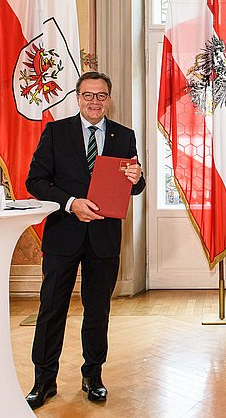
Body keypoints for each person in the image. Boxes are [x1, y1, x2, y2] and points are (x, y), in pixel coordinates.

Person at [23, 71, 145, 409]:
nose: (95, 101)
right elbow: (35, 180)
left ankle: (93, 376)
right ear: (77, 98)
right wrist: (70, 203)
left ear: (109, 99)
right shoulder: (56, 132)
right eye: (88, 95)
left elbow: (135, 186)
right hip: (63, 234)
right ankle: (44, 380)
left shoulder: (124, 135)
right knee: (51, 309)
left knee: (97, 311)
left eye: (101, 95)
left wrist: (137, 177)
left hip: (104, 238)